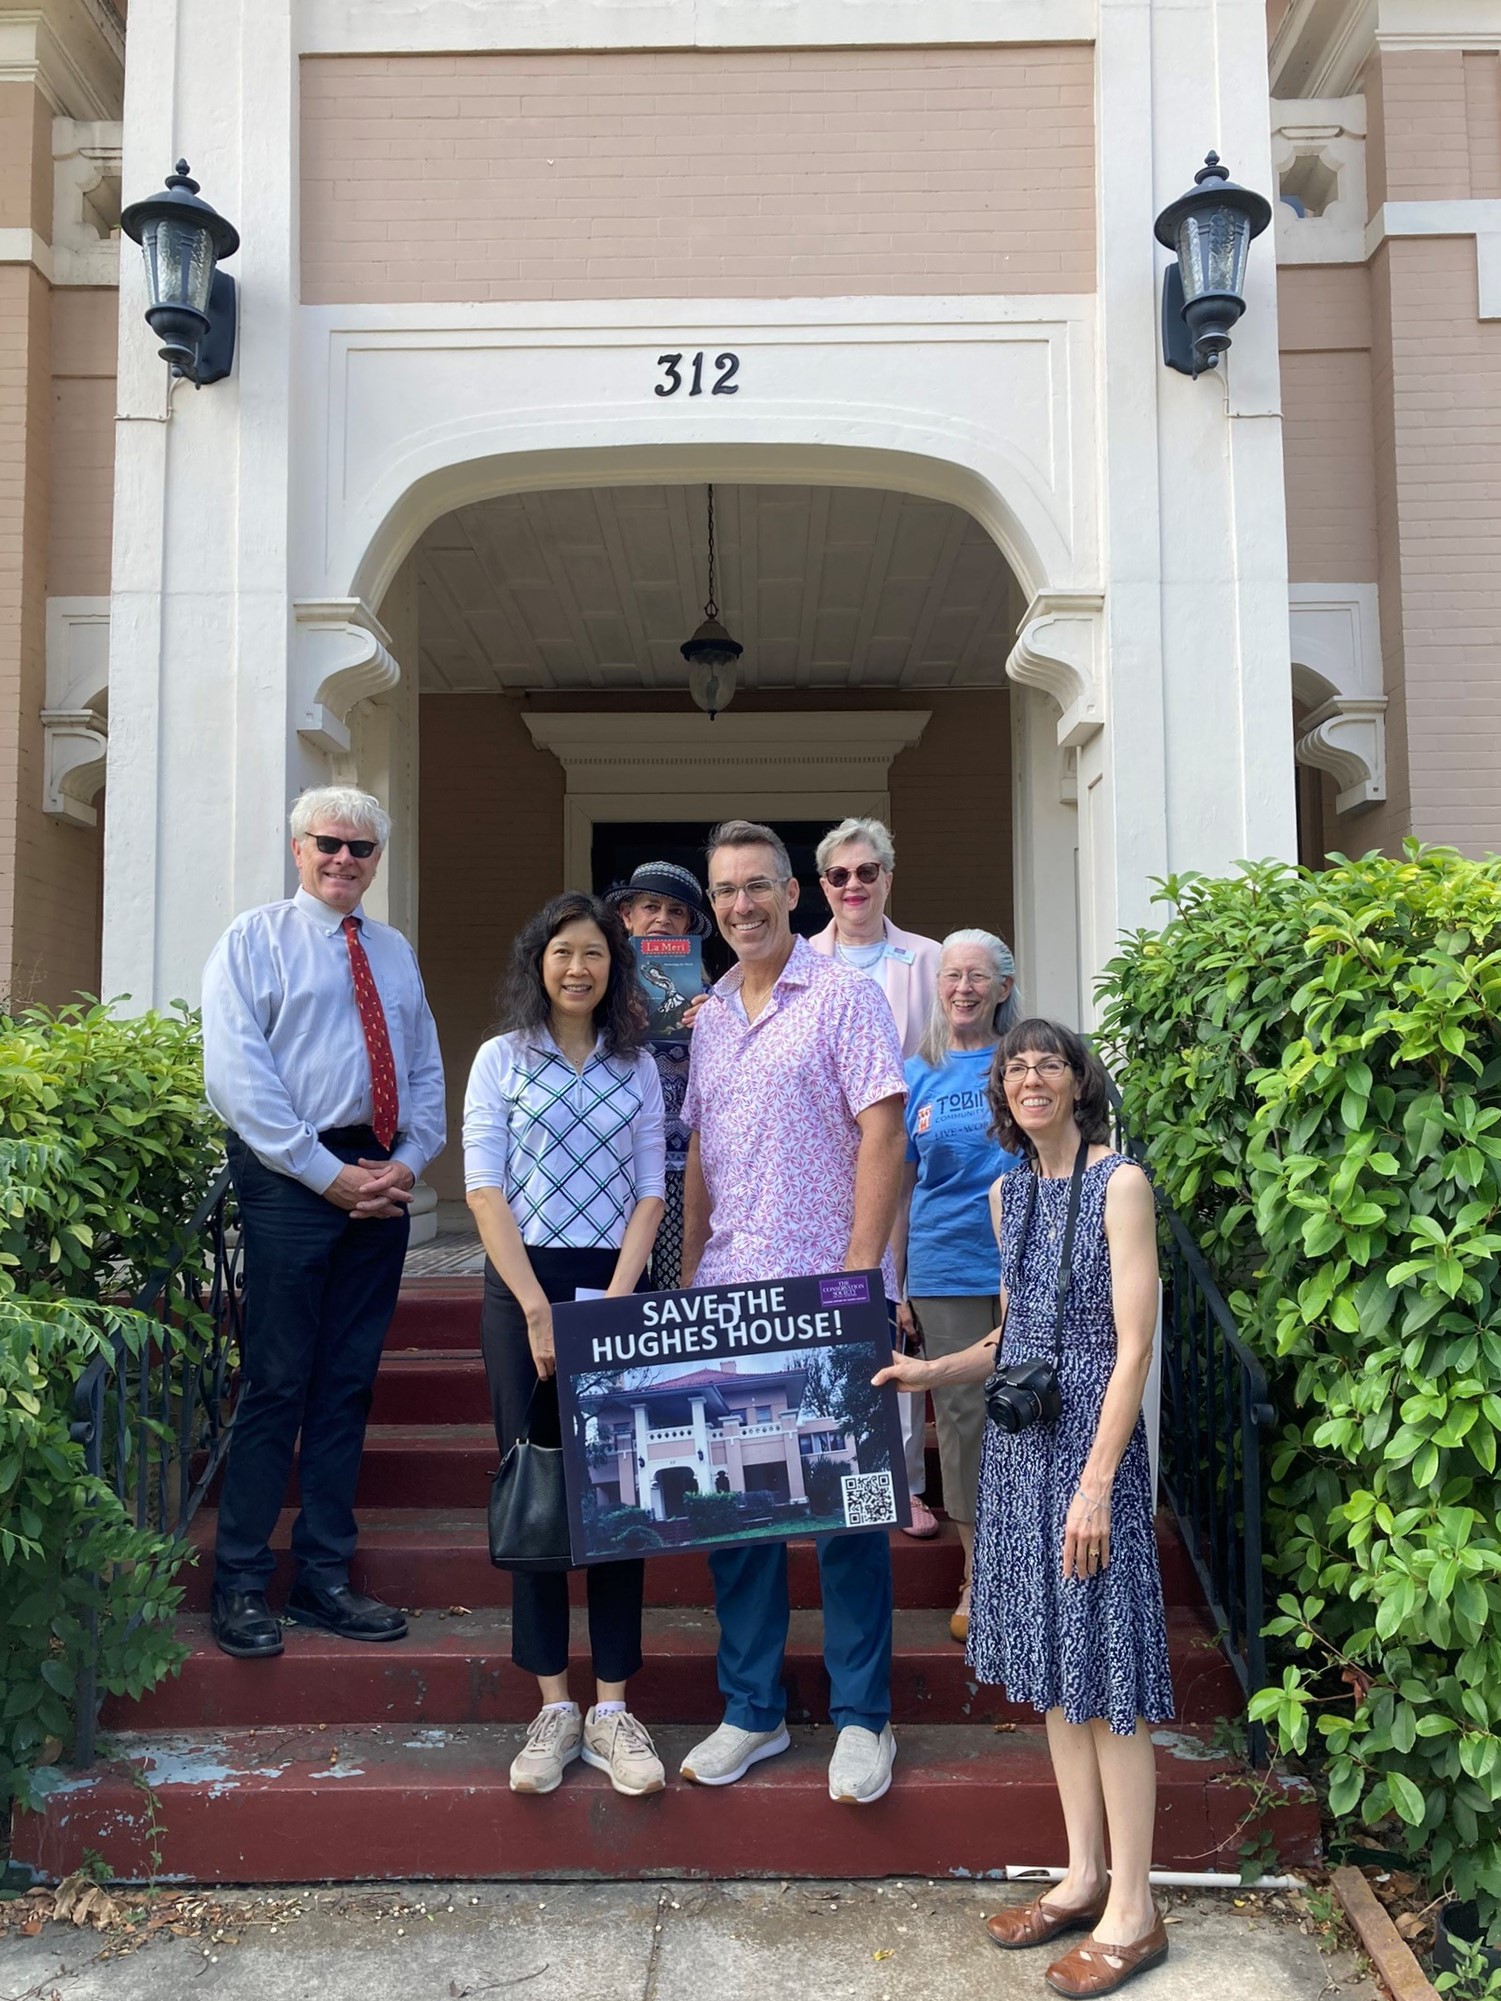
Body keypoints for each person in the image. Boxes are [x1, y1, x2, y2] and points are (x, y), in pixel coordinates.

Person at [876, 1020, 1173, 1997]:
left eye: (1048, 1062)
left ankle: (1134, 1909)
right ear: (998, 1094)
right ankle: (1083, 1874)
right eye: (1015, 1069)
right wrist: (930, 1369)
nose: (1032, 1077)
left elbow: (1132, 1346)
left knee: (1105, 1675)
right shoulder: (1010, 1194)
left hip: (1091, 1452)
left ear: (1078, 1082)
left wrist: (1095, 1483)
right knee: (1053, 1666)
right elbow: (1015, 1334)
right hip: (1020, 1451)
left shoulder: (1118, 1184)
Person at [679, 819, 908, 1805]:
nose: (742, 905)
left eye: (757, 887)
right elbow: (696, 1158)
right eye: (725, 891)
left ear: (793, 895)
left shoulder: (845, 998)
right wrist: (688, 1283)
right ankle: (753, 1711)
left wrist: (859, 1278)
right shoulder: (714, 1015)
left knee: (846, 1519)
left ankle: (862, 1720)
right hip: (729, 1295)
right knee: (738, 1519)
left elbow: (884, 1133)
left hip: (827, 1288)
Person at [201, 785, 446, 1661]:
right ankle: (238, 1580)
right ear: (298, 848)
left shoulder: (393, 949)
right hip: (288, 1177)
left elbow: (421, 1063)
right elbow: (238, 1077)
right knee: (276, 1381)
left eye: (362, 848)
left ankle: (323, 1576)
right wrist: (325, 1174)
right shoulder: (253, 939)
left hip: (377, 1173)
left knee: (346, 1382)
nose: (345, 859)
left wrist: (410, 1161)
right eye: (329, 843)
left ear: (377, 859)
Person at [464, 892, 667, 1799]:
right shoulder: (500, 1059)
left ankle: (615, 1706)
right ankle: (553, 1702)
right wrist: (541, 1311)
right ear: (537, 964)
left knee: (621, 1497)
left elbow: (652, 1191)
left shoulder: (638, 1067)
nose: (577, 968)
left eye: (594, 953)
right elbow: (481, 1188)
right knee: (540, 1489)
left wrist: (614, 1303)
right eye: (561, 953)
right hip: (522, 1287)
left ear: (613, 968)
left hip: (614, 1281)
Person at [810, 815, 942, 1538]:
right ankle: (828, 1472)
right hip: (823, 1171)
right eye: (840, 874)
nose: (854, 884)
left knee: (895, 1314)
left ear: (887, 877)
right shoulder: (801, 962)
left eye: (867, 871)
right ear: (822, 885)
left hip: (909, 1162)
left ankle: (903, 1483)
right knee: (839, 1317)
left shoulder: (927, 960)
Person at [890, 929, 1023, 1645]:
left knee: (1031, 1410)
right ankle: (978, 1572)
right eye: (950, 975)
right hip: (942, 1265)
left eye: (977, 976)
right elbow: (901, 1183)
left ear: (1003, 986)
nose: (962, 987)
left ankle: (1031, 1562)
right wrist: (897, 1280)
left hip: (1022, 1265)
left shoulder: (1025, 1063)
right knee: (964, 1420)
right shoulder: (916, 1073)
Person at [605, 861, 713, 1289]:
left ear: (688, 926)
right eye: (650, 907)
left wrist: (716, 1026)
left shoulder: (716, 993)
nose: (662, 920)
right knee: (614, 1278)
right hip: (613, 1156)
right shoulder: (597, 982)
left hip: (682, 1160)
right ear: (627, 915)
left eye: (676, 912)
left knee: (673, 1280)